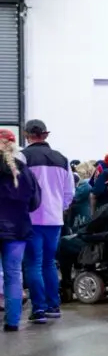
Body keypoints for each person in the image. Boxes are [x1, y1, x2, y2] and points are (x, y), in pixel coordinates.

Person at [20, 119, 72, 324]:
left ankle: (39, 308)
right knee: (49, 263)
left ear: (26, 135)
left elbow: (19, 187)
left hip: (30, 218)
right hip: (55, 219)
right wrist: (60, 208)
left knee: (32, 263)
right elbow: (69, 192)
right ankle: (53, 305)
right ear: (46, 135)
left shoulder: (22, 157)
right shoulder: (62, 159)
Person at [56, 170, 108, 284]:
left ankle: (67, 282)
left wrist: (79, 232)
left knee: (65, 242)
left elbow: (89, 229)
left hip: (107, 246)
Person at [0, 131, 40, 332]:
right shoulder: (25, 171)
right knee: (13, 276)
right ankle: (12, 322)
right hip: (18, 229)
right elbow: (35, 203)